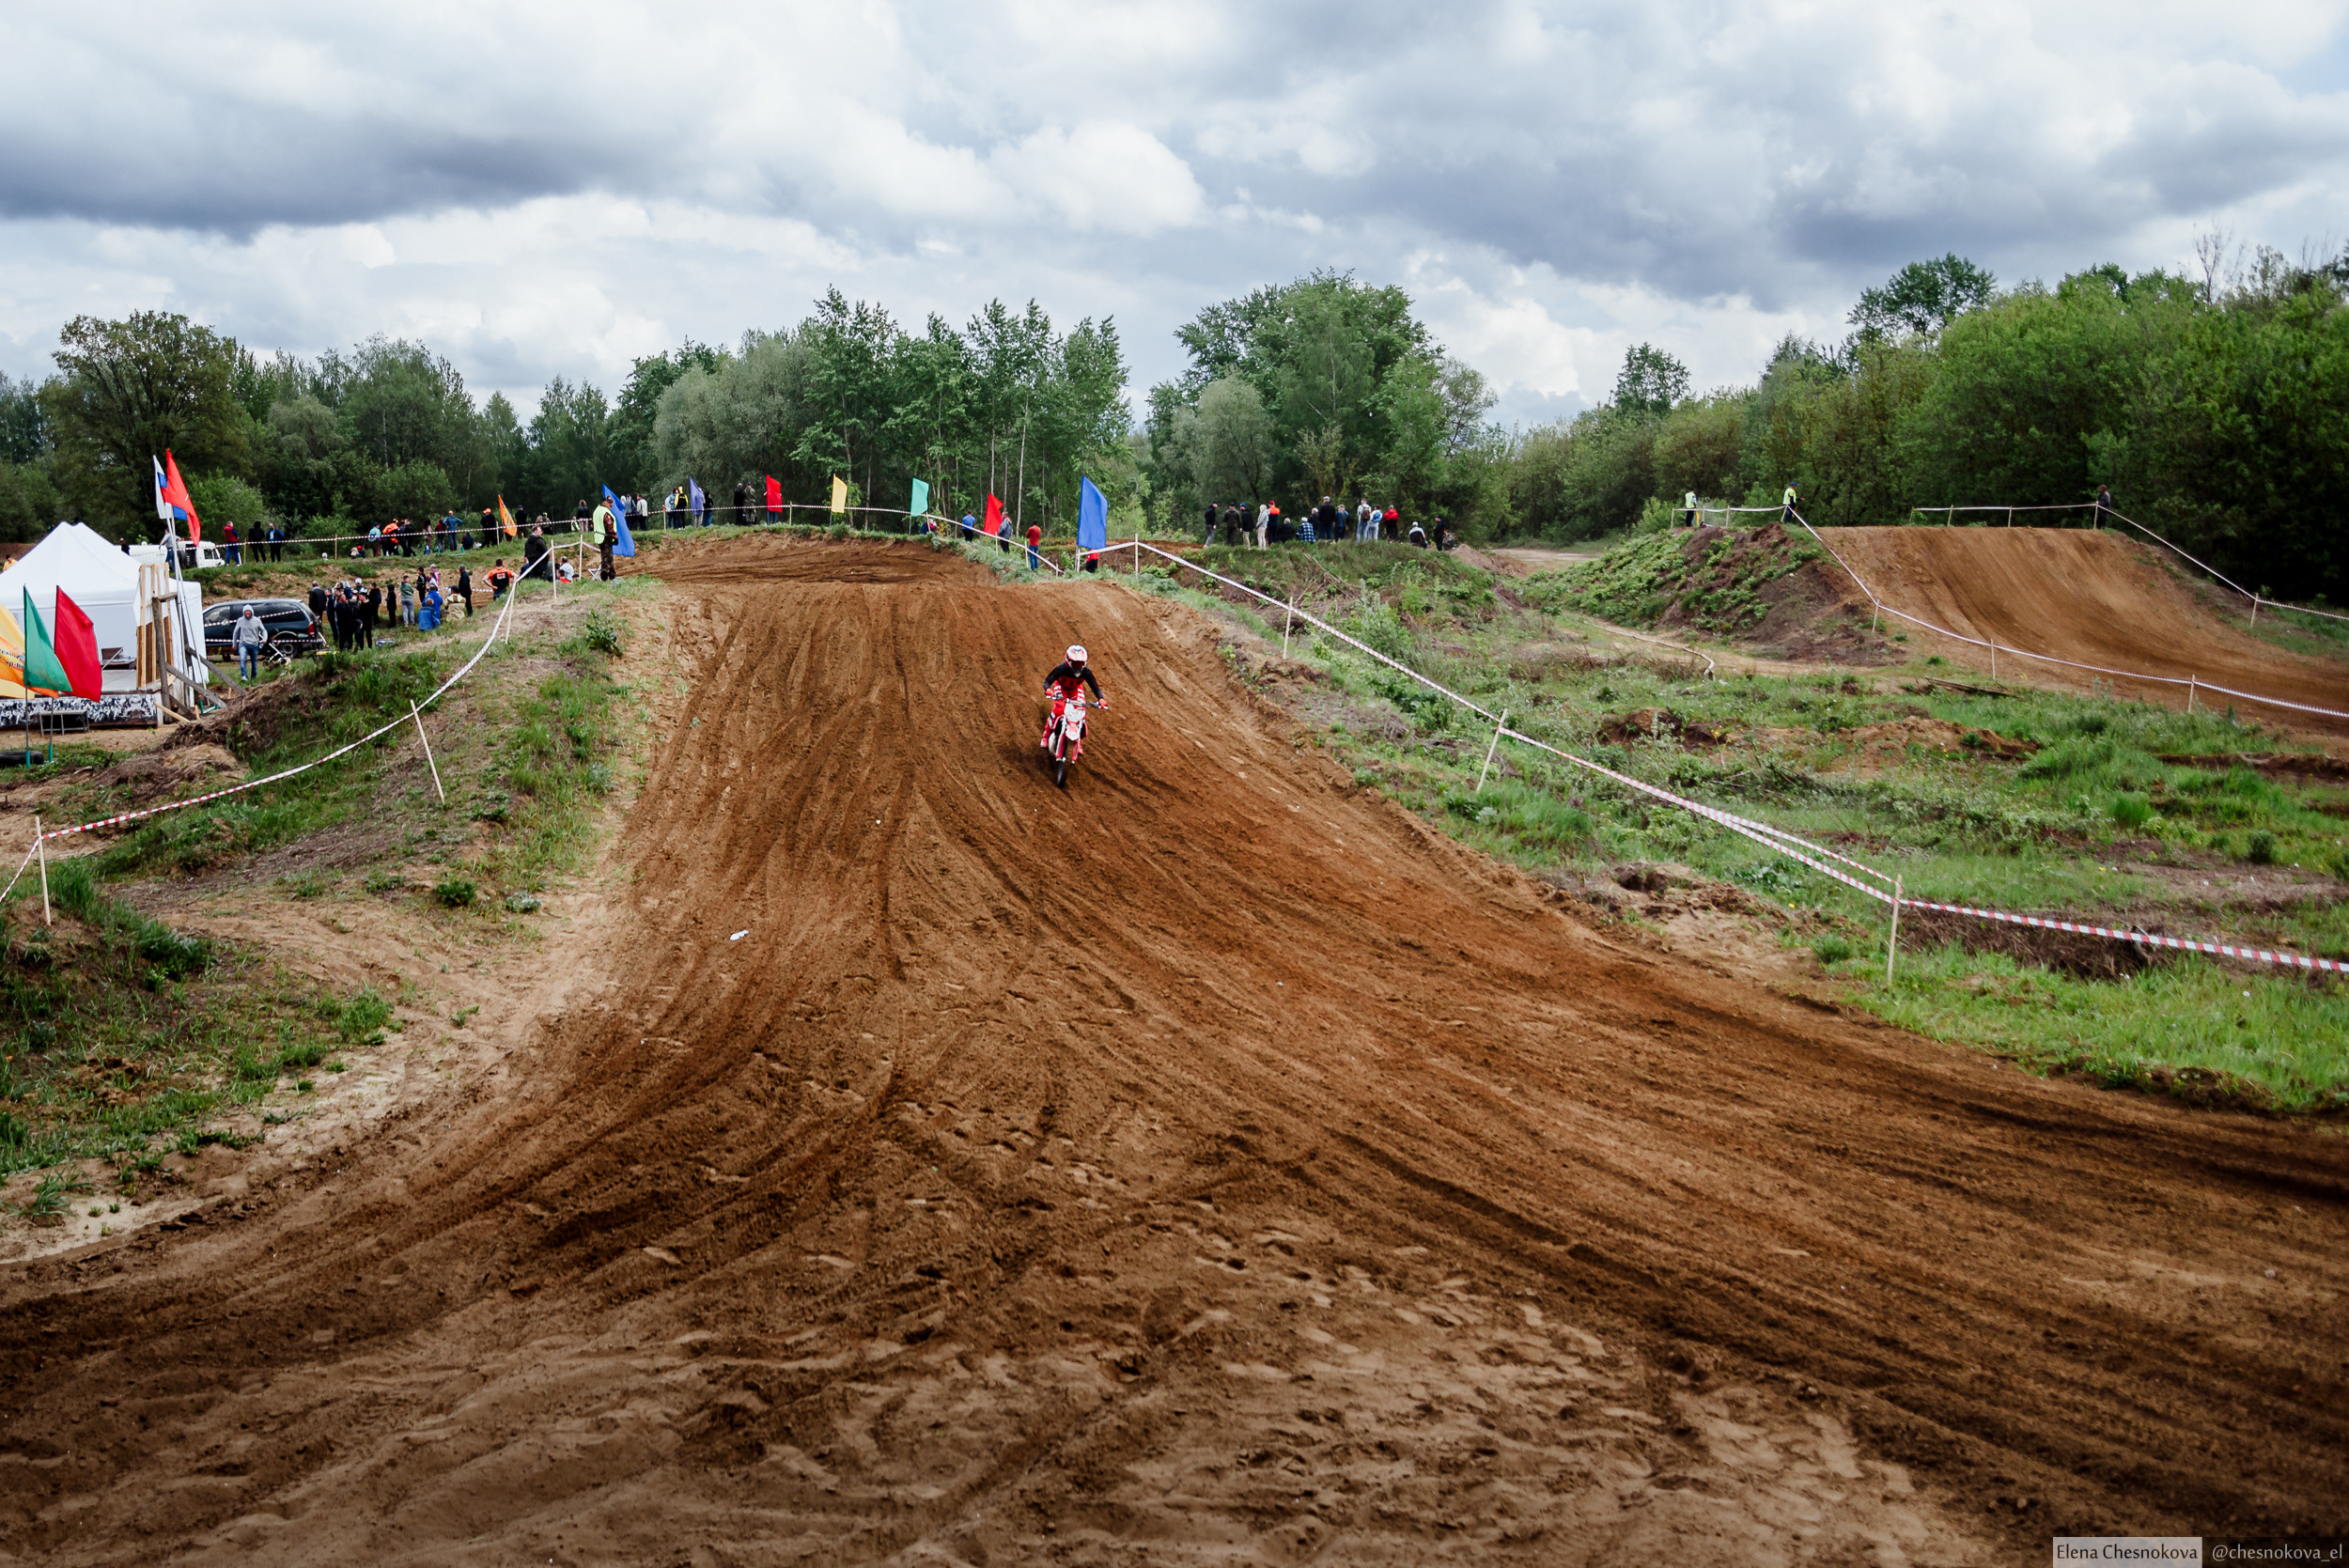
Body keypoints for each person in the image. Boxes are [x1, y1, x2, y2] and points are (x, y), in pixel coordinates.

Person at [1040, 644, 1106, 745]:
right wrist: (1048, 689)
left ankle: (1079, 742)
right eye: (1075, 664)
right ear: (1068, 661)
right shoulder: (1061, 669)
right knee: (1059, 709)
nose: (1078, 668)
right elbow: (1047, 681)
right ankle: (1046, 735)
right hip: (1061, 686)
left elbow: (1095, 687)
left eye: (1080, 664)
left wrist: (1101, 699)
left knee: (1081, 713)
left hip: (1076, 689)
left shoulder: (1086, 672)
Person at [233, 604, 266, 677]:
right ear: (244, 613)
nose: (247, 615)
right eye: (246, 613)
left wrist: (265, 638)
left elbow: (263, 630)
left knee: (254, 663)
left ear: (252, 612)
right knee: (242, 659)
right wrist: (234, 643)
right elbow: (236, 632)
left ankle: (253, 678)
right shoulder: (240, 620)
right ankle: (244, 676)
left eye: (249, 613)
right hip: (243, 643)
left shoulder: (257, 620)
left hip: (254, 644)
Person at [590, 493, 616, 582]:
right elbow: (608, 525)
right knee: (607, 558)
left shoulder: (597, 510)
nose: (611, 504)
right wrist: (614, 536)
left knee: (605, 557)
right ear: (604, 503)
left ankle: (611, 576)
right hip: (606, 537)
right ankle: (606, 577)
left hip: (600, 537)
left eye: (611, 502)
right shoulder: (606, 512)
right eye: (609, 502)